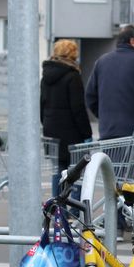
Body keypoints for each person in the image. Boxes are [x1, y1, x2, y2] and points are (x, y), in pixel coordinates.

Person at [85, 24, 134, 238]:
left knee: (114, 181)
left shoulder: (101, 62)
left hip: (109, 132)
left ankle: (114, 226)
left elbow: (90, 96)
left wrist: (105, 116)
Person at [40, 39, 93, 196]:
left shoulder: (46, 76)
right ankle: (76, 210)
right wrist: (87, 134)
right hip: (71, 132)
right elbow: (78, 108)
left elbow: (41, 104)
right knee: (76, 171)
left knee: (57, 171)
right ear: (72, 54)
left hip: (51, 129)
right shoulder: (72, 76)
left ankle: (57, 209)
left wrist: (46, 124)